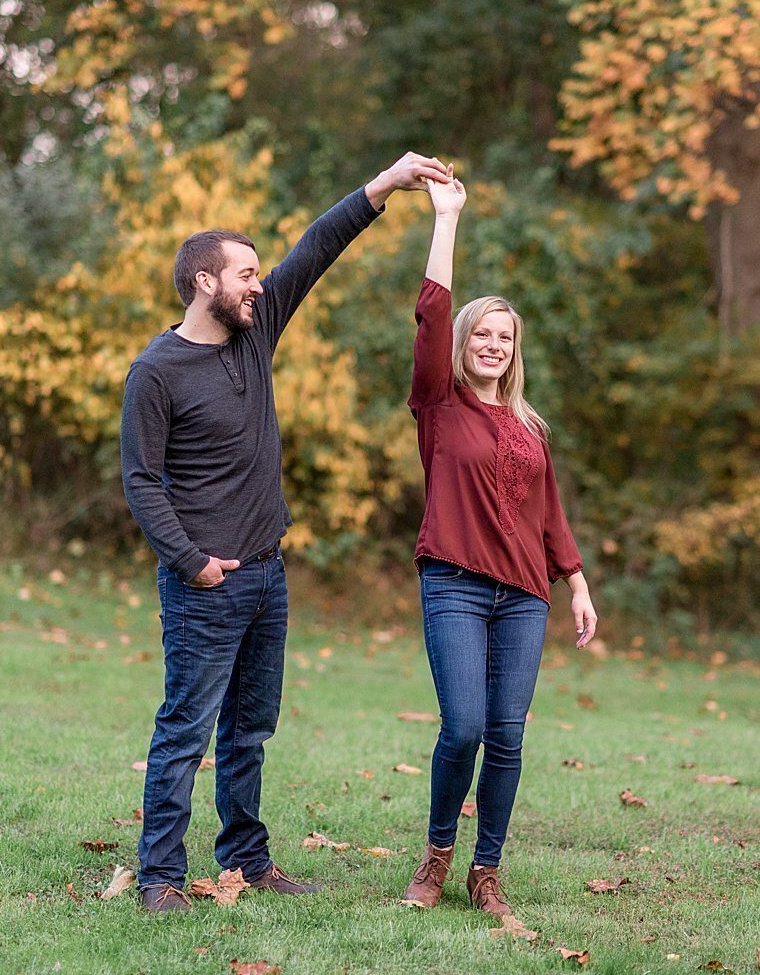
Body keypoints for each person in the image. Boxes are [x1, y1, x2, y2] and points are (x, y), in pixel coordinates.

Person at [121, 152, 453, 914]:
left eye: (259, 273)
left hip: (269, 574)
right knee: (185, 730)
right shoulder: (157, 371)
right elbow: (141, 481)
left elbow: (316, 248)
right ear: (205, 280)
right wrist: (193, 562)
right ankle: (160, 877)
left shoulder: (255, 331)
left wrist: (385, 184)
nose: (260, 283)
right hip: (206, 582)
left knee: (250, 730)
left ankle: (245, 859)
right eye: (245, 273)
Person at [400, 170, 598, 917]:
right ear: (465, 342)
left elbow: (548, 513)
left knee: (508, 736)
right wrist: (446, 218)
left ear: (516, 350)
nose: (490, 343)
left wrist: (575, 582)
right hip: (452, 580)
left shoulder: (528, 428)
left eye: (503, 336)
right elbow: (431, 314)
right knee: (465, 726)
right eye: (481, 333)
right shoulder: (438, 404)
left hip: (523, 595)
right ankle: (437, 854)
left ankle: (487, 872)